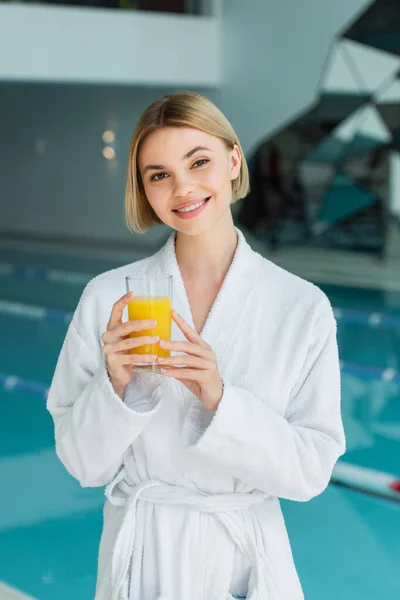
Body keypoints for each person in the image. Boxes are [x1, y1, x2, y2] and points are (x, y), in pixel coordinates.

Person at [46, 91, 346, 600]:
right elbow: (81, 465)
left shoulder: (301, 306)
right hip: (143, 557)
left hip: (243, 561)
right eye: (158, 174)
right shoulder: (108, 297)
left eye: (199, 162)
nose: (182, 188)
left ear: (233, 161)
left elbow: (310, 472)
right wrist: (116, 388)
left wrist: (220, 399)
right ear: (144, 189)